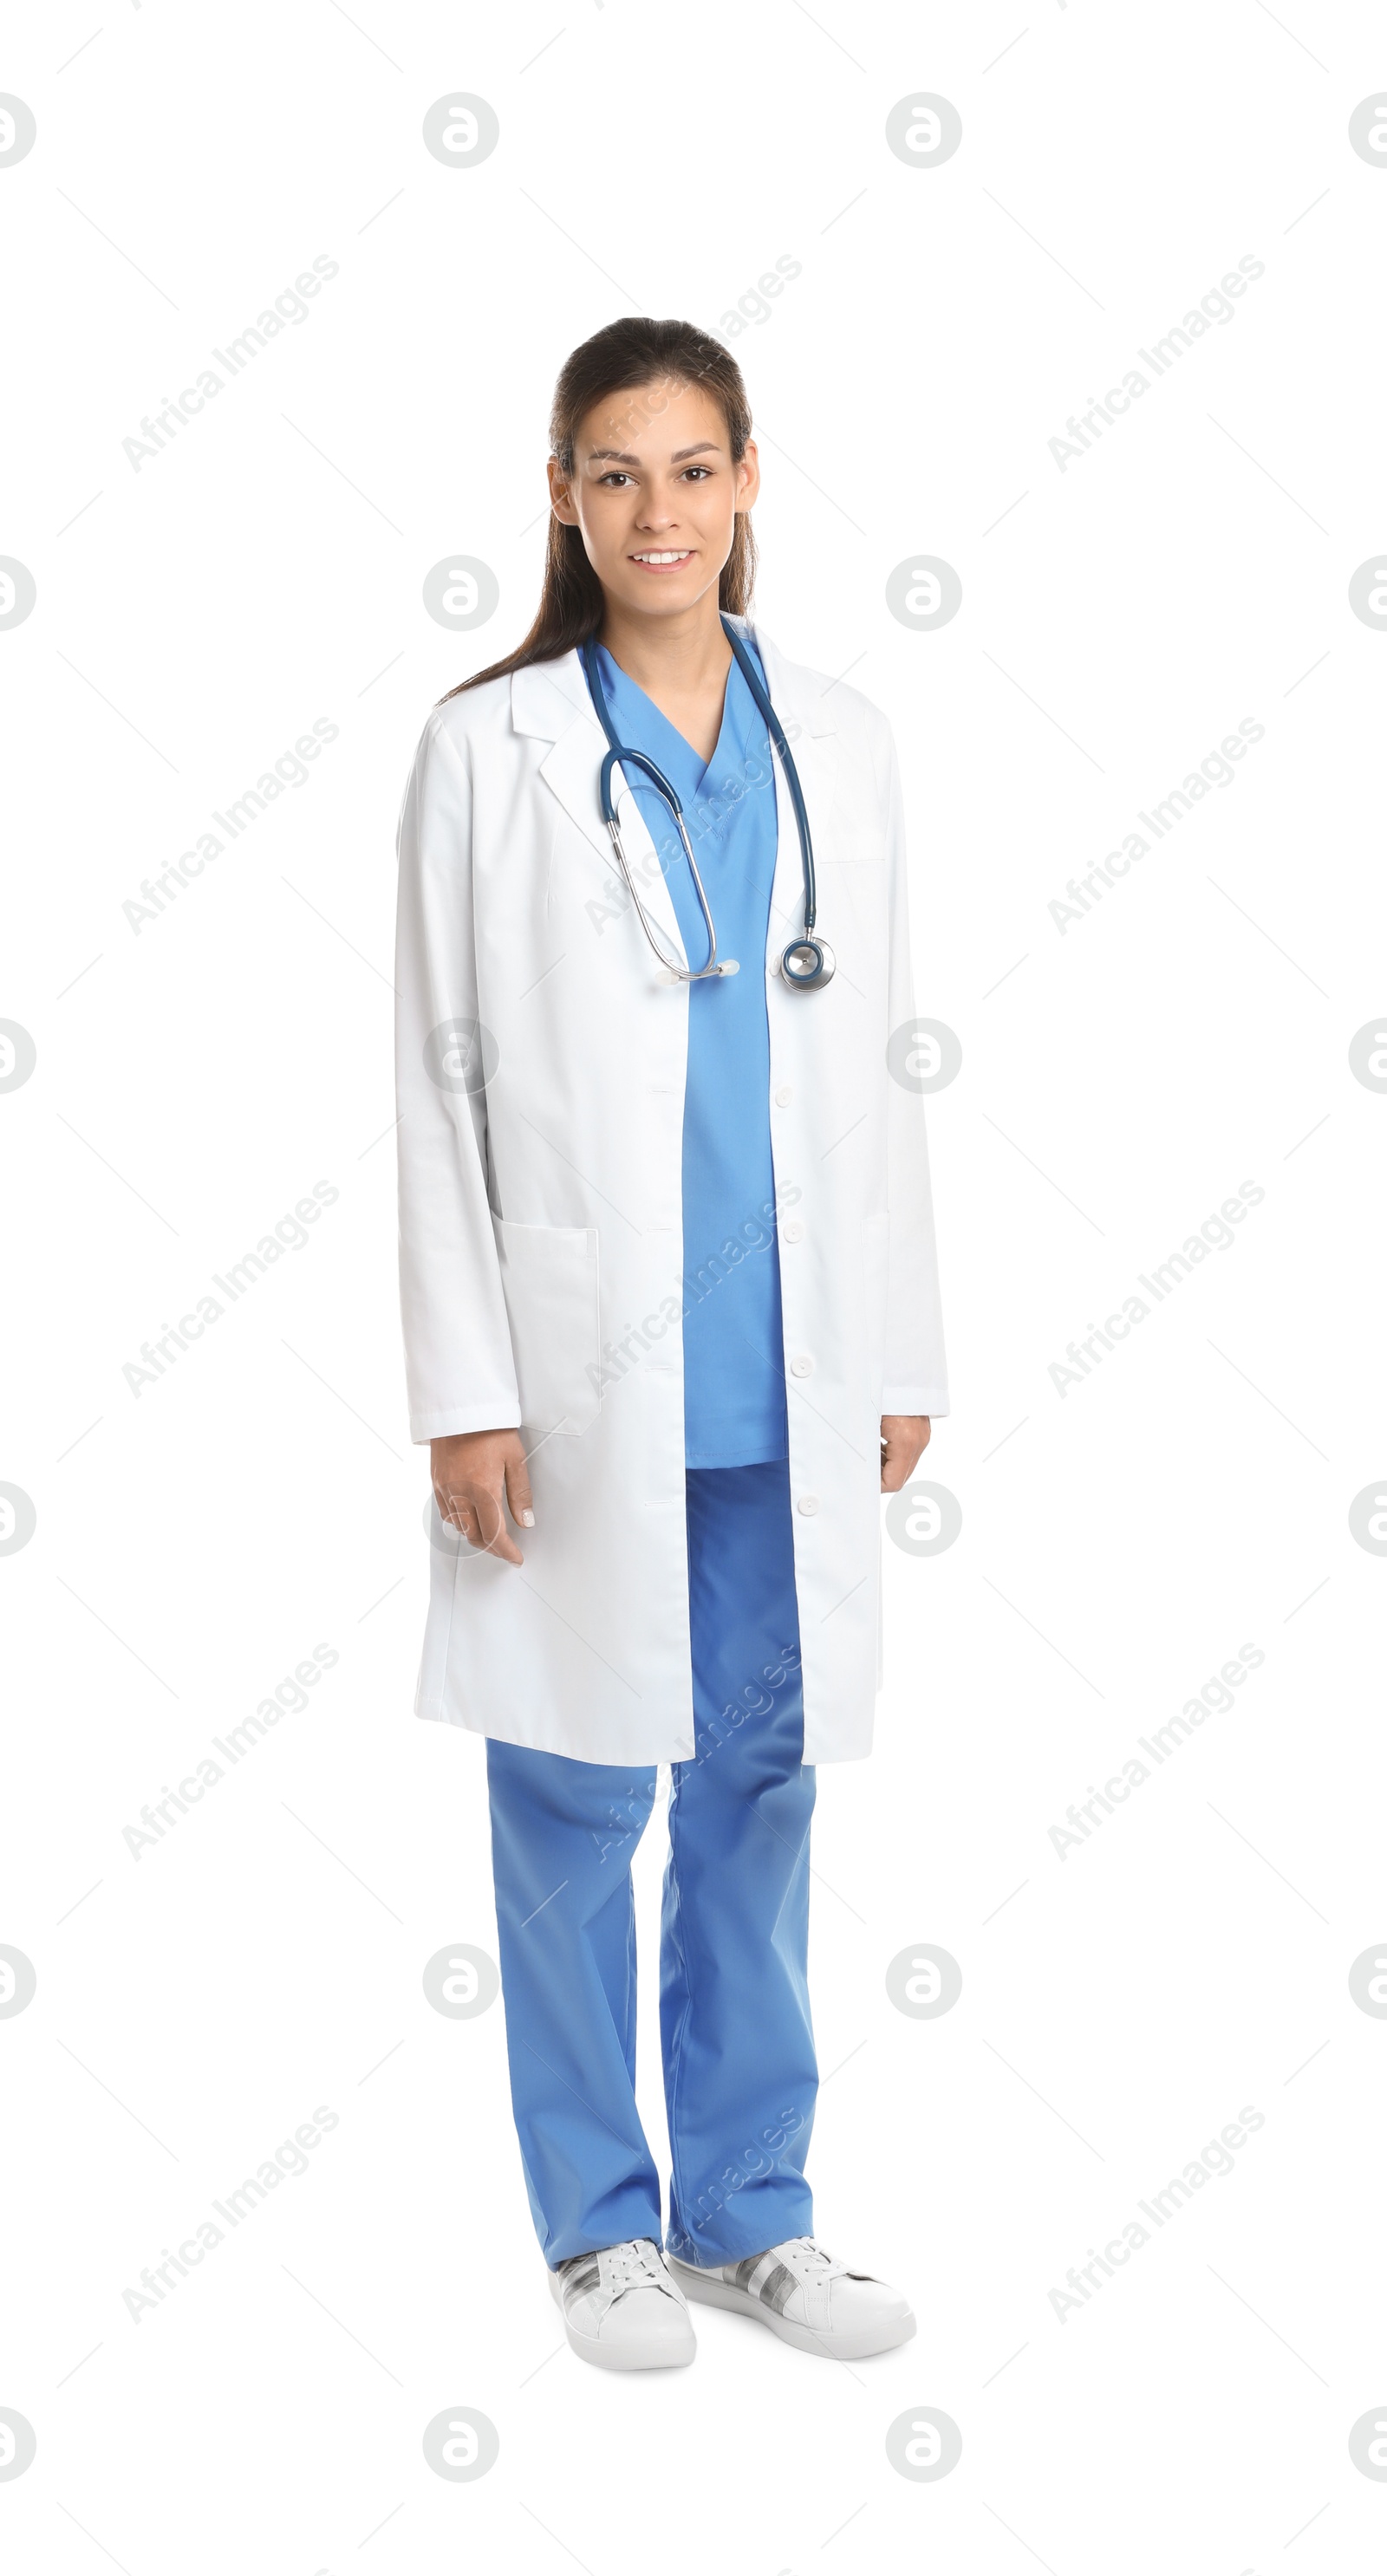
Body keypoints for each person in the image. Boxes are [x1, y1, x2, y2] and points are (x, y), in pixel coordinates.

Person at [394, 315, 948, 2372]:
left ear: (746, 481)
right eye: (612, 473)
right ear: (558, 494)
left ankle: (749, 2213)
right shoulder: (490, 747)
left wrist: (897, 1343)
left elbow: (874, 1071)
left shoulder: (843, 739)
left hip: (785, 1361)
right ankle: (596, 2227)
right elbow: (429, 1087)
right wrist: (462, 1386)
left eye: (692, 468)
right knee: (567, 1791)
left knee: (762, 1778)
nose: (658, 511)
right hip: (569, 1368)